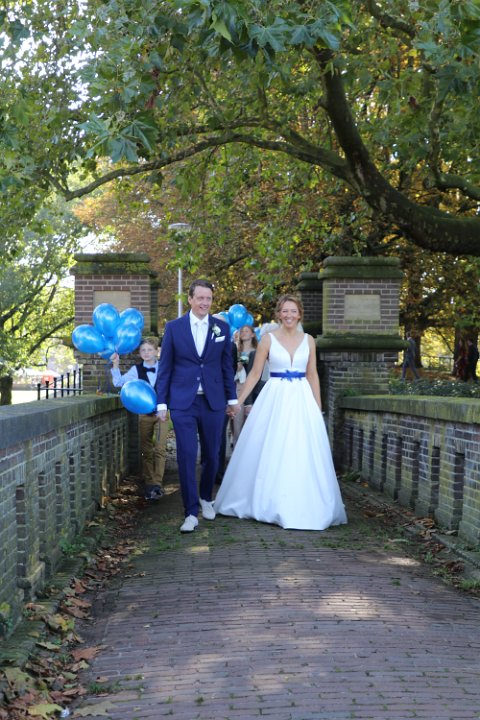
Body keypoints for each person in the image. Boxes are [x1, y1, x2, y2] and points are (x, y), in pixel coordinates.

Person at [214, 294, 347, 531]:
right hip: (275, 397)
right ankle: (270, 501)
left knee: (301, 447)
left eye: (293, 311)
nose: (289, 315)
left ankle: (303, 502)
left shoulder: (309, 340)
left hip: (302, 398)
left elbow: (312, 374)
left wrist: (317, 408)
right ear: (278, 314)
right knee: (273, 445)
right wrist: (238, 401)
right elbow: (255, 374)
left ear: (300, 314)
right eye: (285, 311)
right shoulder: (268, 339)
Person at [155, 279, 237, 533]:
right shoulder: (174, 328)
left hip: (213, 401)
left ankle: (205, 497)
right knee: (187, 455)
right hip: (183, 402)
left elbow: (226, 366)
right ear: (190, 299)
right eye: (200, 298)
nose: (204, 303)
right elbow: (165, 367)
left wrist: (232, 398)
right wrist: (161, 402)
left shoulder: (222, 328)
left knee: (213, 454)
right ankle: (190, 511)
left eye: (208, 298)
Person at [110, 337, 169, 501]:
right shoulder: (136, 370)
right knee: (146, 450)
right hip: (144, 414)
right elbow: (118, 383)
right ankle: (150, 483)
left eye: (149, 349)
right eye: (143, 350)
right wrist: (116, 364)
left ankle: (158, 484)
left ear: (156, 351)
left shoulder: (165, 367)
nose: (146, 353)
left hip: (163, 413)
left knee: (160, 448)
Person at [232, 324, 259, 446]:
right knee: (236, 420)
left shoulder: (257, 352)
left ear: (253, 334)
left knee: (249, 421)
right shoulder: (235, 350)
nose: (243, 333)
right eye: (242, 331)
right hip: (237, 386)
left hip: (251, 388)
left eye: (247, 331)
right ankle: (236, 446)